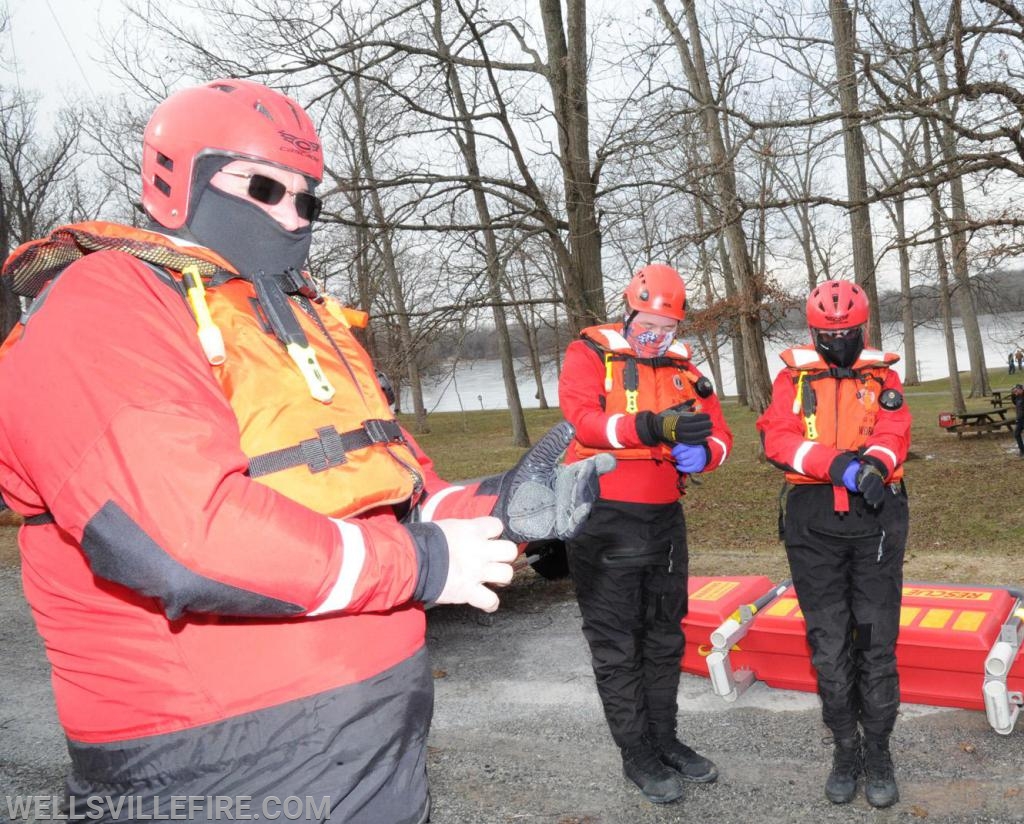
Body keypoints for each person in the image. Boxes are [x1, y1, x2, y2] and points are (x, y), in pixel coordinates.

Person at [0, 79, 613, 824]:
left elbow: (400, 491)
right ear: (177, 179)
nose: (293, 216)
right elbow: (184, 542)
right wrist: (423, 563)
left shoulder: (299, 320)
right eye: (265, 187)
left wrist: (503, 507)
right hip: (211, 758)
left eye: (309, 199)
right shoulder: (106, 307)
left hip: (376, 728)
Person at [557, 264, 733, 805]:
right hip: (603, 516)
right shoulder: (589, 354)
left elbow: (721, 435)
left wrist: (703, 453)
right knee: (617, 642)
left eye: (668, 326)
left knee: (664, 637)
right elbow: (583, 422)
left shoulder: (684, 369)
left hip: (664, 520)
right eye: (649, 322)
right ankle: (635, 752)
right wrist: (651, 428)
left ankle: (665, 739)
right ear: (629, 310)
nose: (656, 335)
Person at [756, 279, 911, 809]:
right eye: (829, 333)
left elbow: (895, 430)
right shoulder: (791, 379)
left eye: (847, 332)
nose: (839, 340)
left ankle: (880, 750)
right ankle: (846, 748)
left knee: (874, 640)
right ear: (814, 332)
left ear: (862, 329)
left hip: (876, 521)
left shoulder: (884, 377)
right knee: (829, 647)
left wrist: (874, 464)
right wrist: (836, 463)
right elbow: (777, 438)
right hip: (813, 522)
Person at [1011, 383, 1024, 457]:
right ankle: (1022, 450)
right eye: (1016, 389)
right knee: (1016, 434)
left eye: (1019, 389)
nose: (1017, 391)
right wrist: (1013, 394)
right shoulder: (1018, 397)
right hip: (1019, 419)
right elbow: (1014, 402)